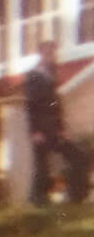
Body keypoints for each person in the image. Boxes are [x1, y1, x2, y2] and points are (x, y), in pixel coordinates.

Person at [22, 40, 86, 205]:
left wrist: (62, 129)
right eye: (50, 53)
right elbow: (31, 105)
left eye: (54, 53)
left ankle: (76, 196)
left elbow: (56, 106)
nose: (53, 56)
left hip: (54, 129)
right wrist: (34, 131)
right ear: (42, 54)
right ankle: (38, 200)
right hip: (41, 130)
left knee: (77, 156)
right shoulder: (34, 75)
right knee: (42, 166)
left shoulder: (52, 74)